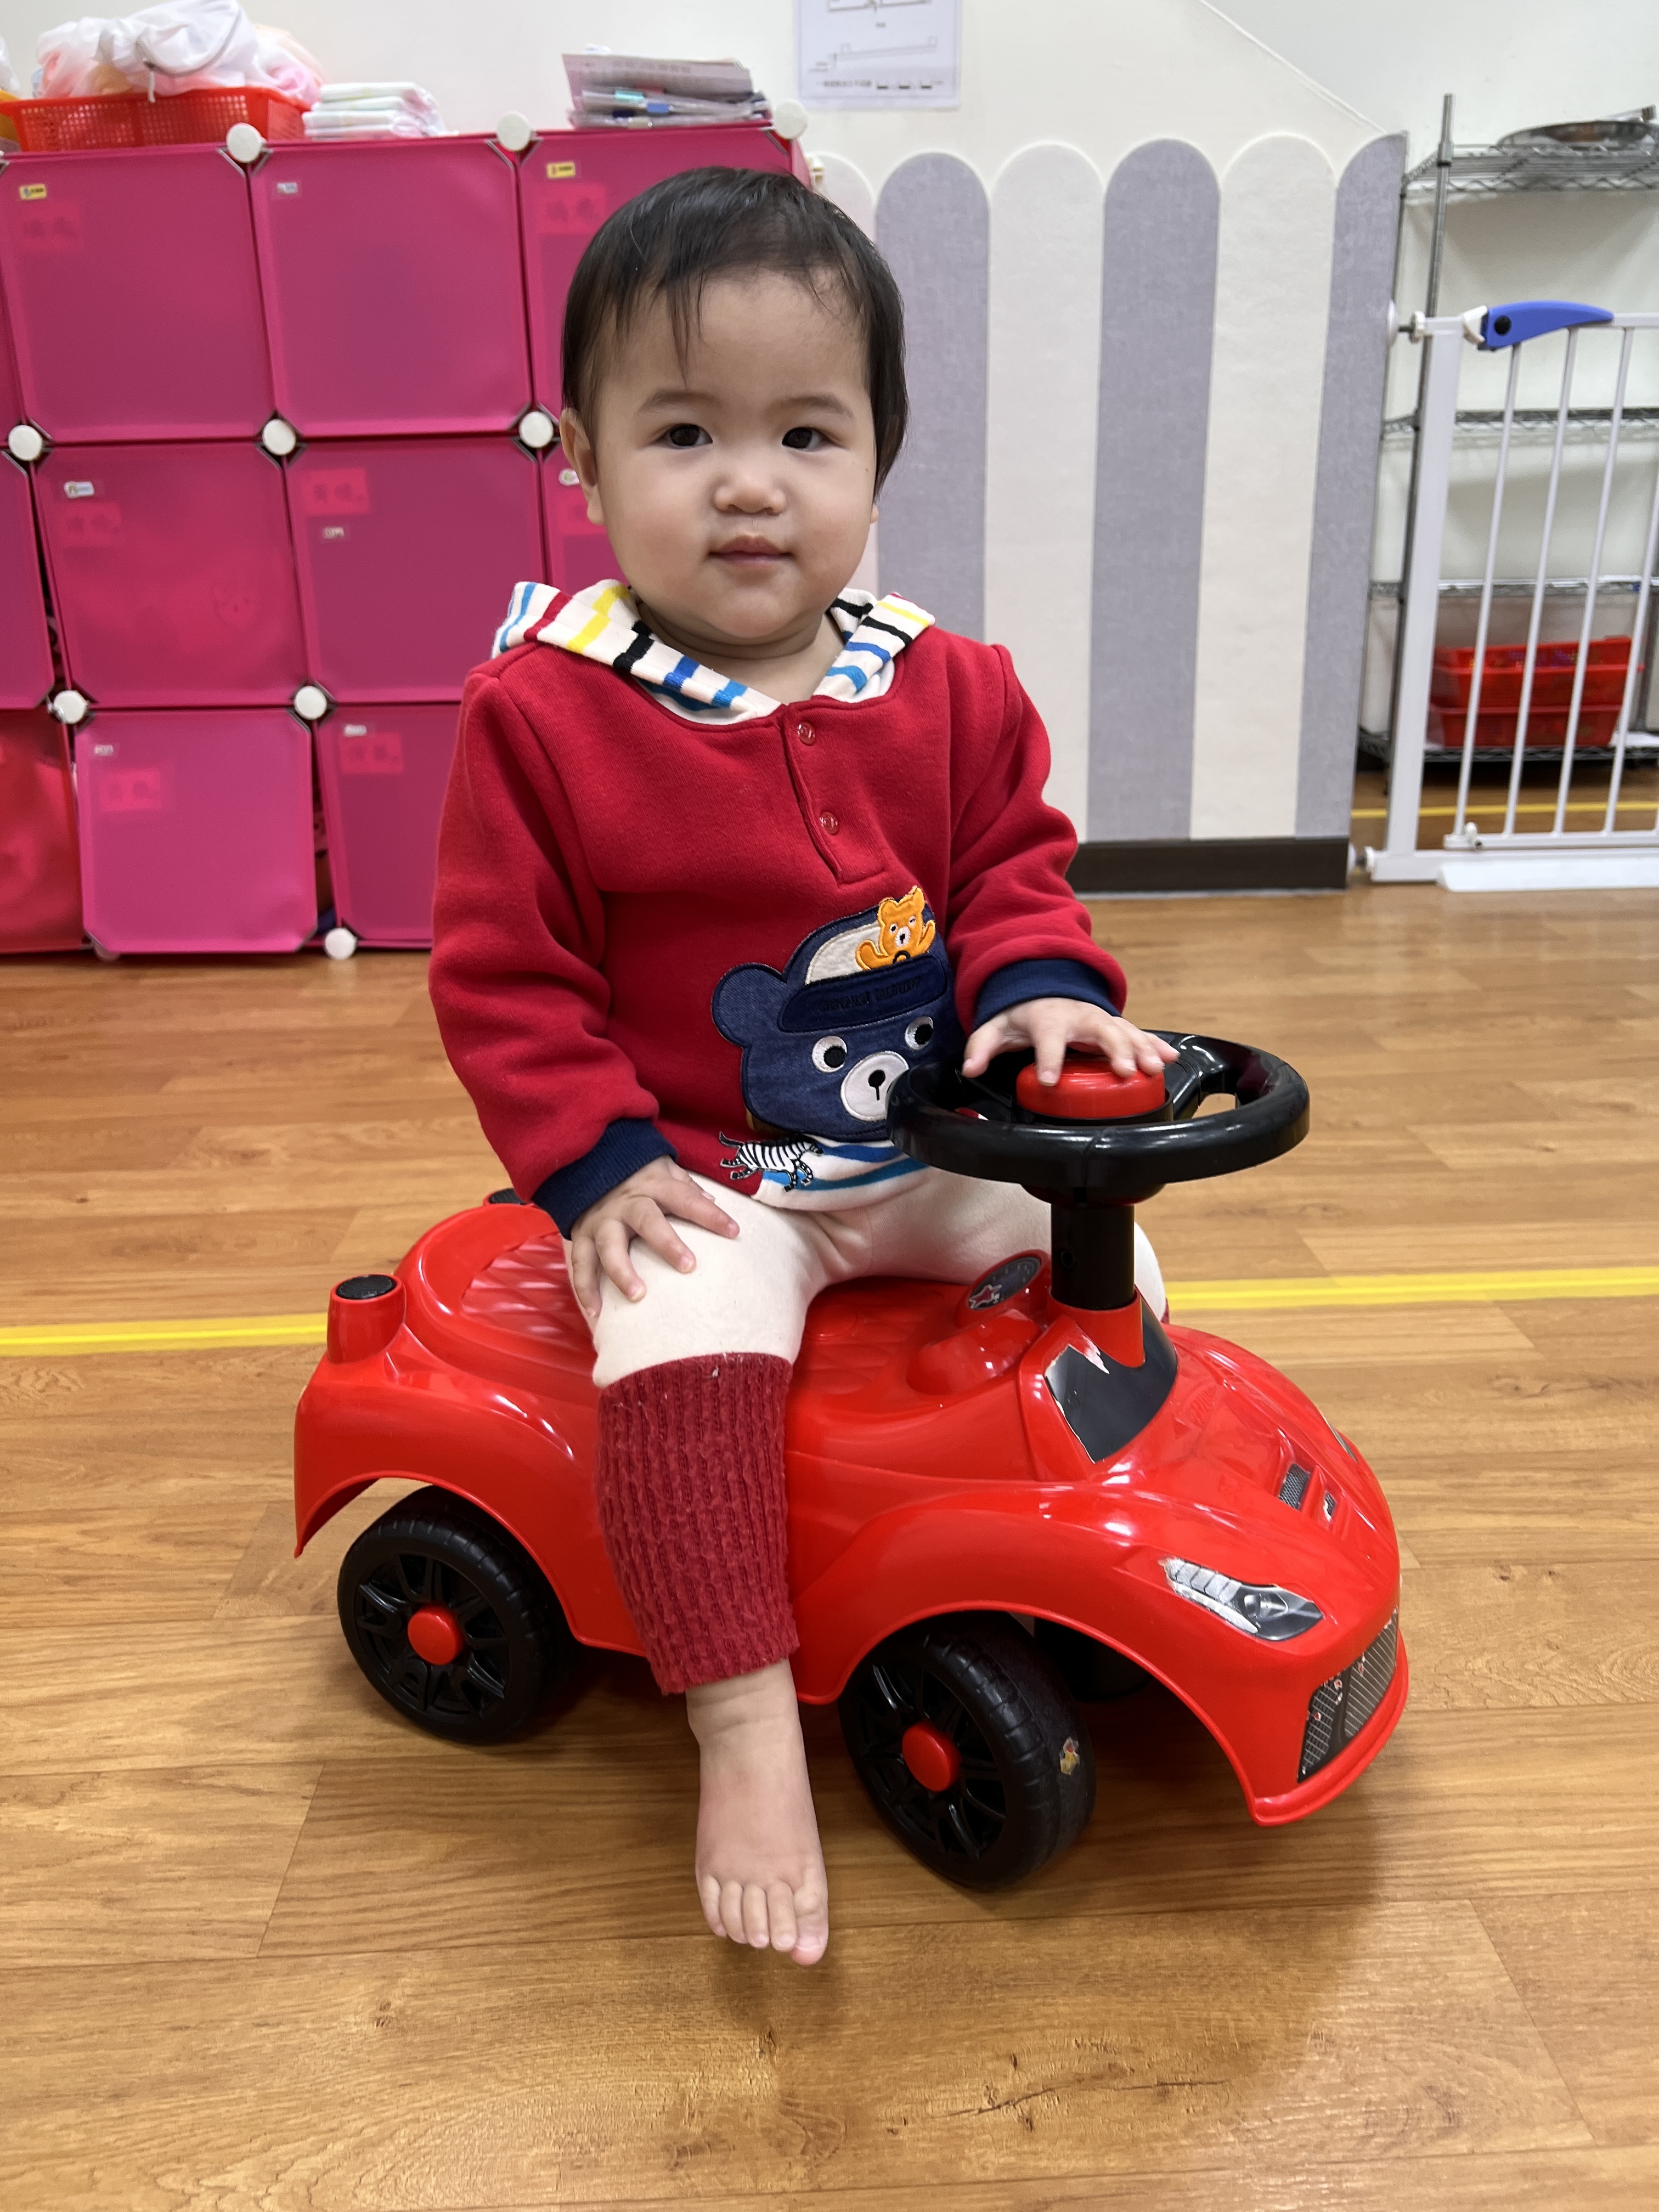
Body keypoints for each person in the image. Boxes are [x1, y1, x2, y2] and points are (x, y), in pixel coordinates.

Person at [428, 167, 1175, 1967]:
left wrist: (1044, 992)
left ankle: (1071, 1557)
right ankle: (745, 1719)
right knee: (680, 1358)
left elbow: (1011, 872)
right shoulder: (542, 712)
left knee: (1116, 1273)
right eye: (685, 432)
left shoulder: (955, 685)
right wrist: (598, 1167)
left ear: (877, 462)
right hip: (710, 1174)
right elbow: (506, 978)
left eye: (806, 434)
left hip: (928, 1148)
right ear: (587, 463)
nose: (749, 483)